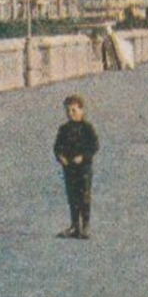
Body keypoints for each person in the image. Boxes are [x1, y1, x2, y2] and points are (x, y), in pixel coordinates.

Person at [53, 94, 100, 240]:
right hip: (69, 168)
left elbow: (94, 145)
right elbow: (57, 146)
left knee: (84, 196)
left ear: (82, 111)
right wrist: (60, 156)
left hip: (84, 168)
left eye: (74, 110)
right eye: (68, 111)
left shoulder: (87, 128)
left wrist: (83, 157)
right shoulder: (64, 129)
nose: (70, 114)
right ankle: (74, 225)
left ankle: (85, 225)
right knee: (72, 197)